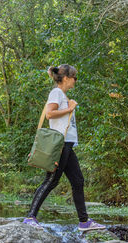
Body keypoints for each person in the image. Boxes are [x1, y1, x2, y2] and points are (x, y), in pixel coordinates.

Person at [23, 64, 106, 231]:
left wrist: (69, 107)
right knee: (52, 180)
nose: (76, 81)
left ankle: (84, 222)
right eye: (74, 77)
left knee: (78, 180)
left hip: (67, 144)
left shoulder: (63, 95)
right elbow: (49, 114)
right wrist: (69, 108)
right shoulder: (56, 93)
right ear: (66, 78)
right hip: (59, 144)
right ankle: (30, 217)